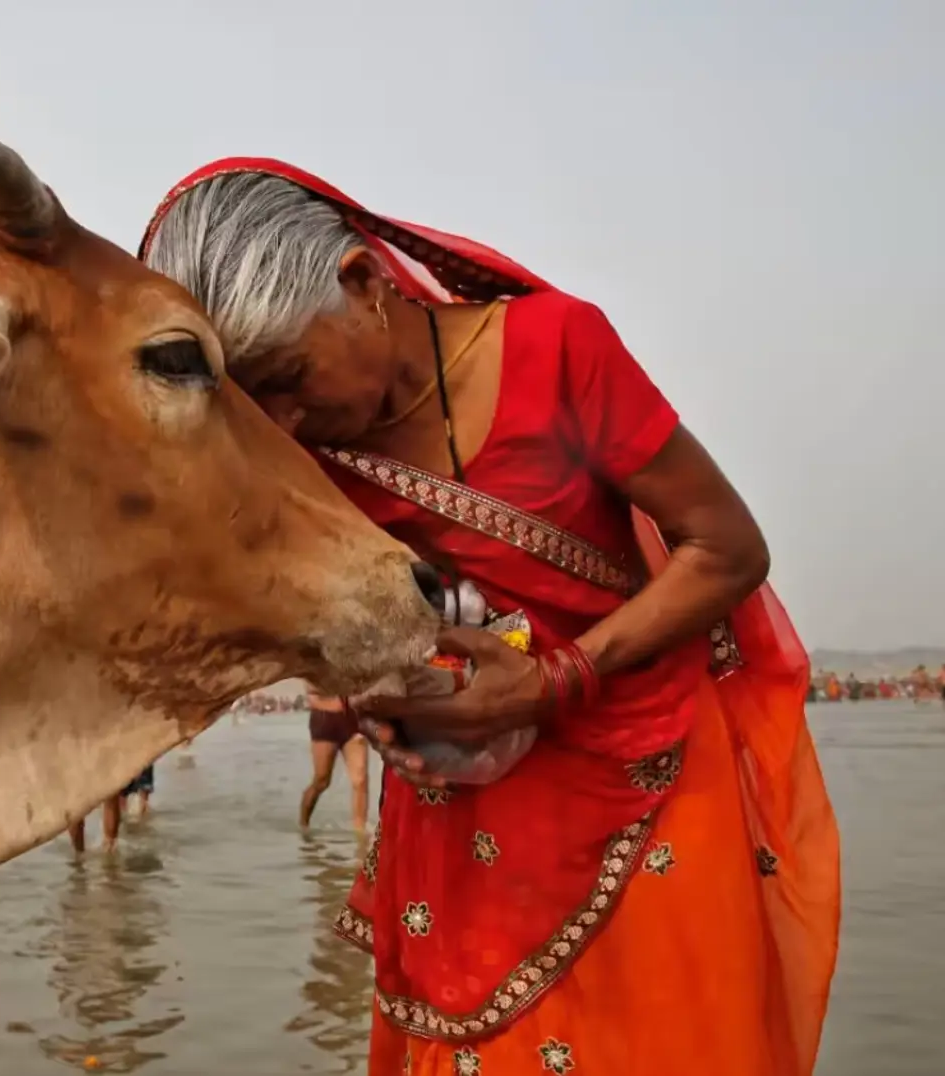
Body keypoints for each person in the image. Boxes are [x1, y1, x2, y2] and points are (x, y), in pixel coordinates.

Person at [140, 160, 839, 1076]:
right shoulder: (303, 460)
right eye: (255, 402)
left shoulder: (558, 351)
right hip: (461, 806)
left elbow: (727, 548)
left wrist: (552, 684)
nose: (283, 421)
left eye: (291, 377)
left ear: (364, 283)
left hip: (648, 766)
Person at [304, 687, 372, 833]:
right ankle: (303, 824)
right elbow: (311, 695)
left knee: (360, 781)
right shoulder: (320, 665)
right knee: (321, 781)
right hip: (325, 719)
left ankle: (360, 835)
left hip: (354, 721)